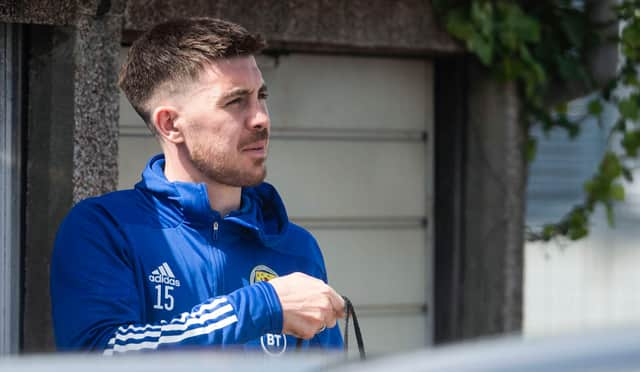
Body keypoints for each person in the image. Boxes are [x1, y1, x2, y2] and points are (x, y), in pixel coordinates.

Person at [50, 17, 345, 355]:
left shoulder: (296, 247)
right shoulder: (105, 229)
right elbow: (100, 355)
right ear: (171, 124)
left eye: (260, 95)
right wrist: (260, 307)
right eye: (235, 101)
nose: (261, 117)